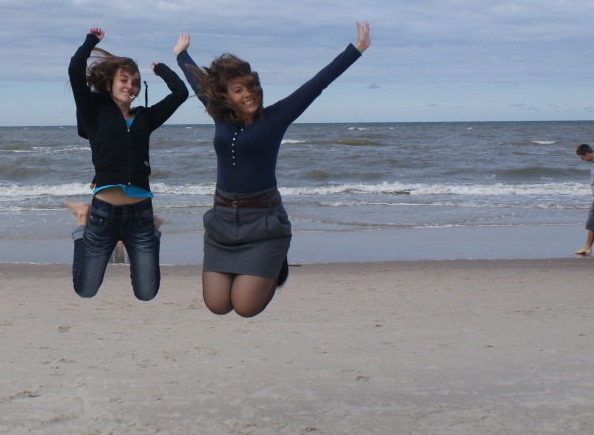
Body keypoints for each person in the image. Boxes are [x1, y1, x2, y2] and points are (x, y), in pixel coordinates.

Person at [175, 22, 371, 317]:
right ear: (226, 95)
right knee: (217, 305)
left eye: (252, 87)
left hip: (263, 222)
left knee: (245, 307)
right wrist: (181, 55)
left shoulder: (275, 118)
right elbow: (197, 82)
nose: (249, 94)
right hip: (222, 221)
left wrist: (357, 49)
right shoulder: (220, 115)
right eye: (239, 90)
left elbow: (317, 83)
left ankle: (276, 259)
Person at [68, 27, 188, 300]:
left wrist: (161, 69)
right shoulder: (93, 113)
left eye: (135, 82)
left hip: (141, 216)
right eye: (123, 80)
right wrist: (91, 41)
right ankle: (80, 231)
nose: (130, 87)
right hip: (103, 215)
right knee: (85, 290)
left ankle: (154, 233)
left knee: (147, 293)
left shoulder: (146, 118)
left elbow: (180, 93)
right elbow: (75, 69)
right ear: (109, 84)